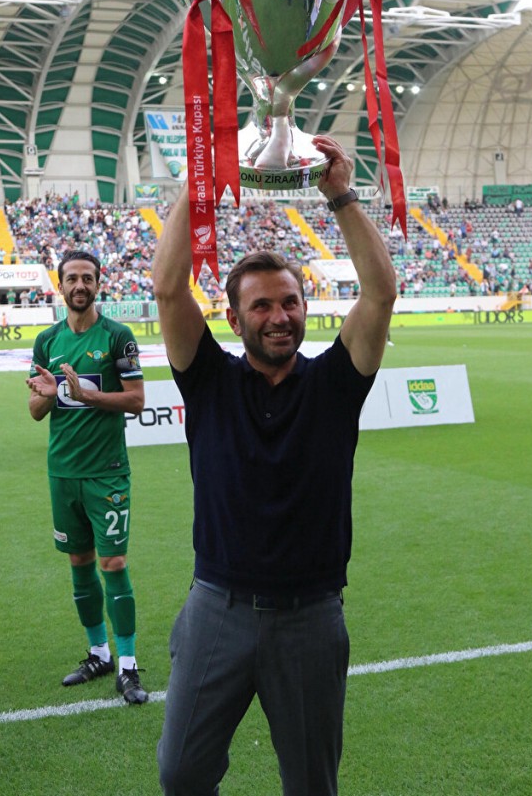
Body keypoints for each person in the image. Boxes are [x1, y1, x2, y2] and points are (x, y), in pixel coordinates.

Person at [153, 135, 397, 794]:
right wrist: (196, 182)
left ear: (305, 308)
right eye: (260, 305)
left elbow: (379, 295)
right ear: (234, 319)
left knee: (312, 783)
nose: (278, 315)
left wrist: (340, 194)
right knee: (180, 773)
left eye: (289, 301)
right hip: (217, 607)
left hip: (310, 618)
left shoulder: (335, 383)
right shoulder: (207, 380)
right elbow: (168, 286)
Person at [26, 249, 148, 705]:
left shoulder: (118, 337)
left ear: (100, 283)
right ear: (60, 286)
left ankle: (129, 665)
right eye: (72, 278)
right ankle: (98, 653)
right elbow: (37, 411)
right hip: (63, 472)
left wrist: (86, 394)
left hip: (107, 472)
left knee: (112, 563)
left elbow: (136, 400)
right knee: (79, 564)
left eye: (88, 278)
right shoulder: (46, 341)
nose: (80, 285)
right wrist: (50, 394)